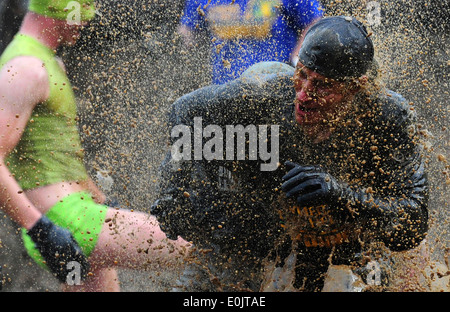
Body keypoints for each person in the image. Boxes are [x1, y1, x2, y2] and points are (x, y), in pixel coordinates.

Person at [152, 16, 429, 291]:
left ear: (354, 88)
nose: (304, 95)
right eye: (303, 75)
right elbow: (185, 111)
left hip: (347, 234)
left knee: (374, 274)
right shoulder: (266, 96)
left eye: (323, 86)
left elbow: (413, 223)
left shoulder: (388, 118)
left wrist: (338, 194)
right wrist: (173, 192)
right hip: (252, 217)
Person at [0, 0, 191, 292]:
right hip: (65, 221)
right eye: (83, 8)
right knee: (199, 248)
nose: (87, 19)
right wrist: (41, 229)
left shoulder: (49, 63)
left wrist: (100, 200)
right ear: (59, 7)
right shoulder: (27, 68)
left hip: (75, 215)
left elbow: (61, 157)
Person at [178, 0, 323, 84]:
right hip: (224, 86)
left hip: (275, 83)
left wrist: (297, 58)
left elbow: (314, 22)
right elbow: (187, 31)